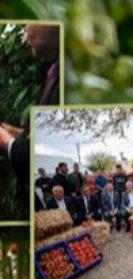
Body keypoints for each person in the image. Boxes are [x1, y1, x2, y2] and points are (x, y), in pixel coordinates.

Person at [0, 24, 60, 215]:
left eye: (28, 27)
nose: (25, 39)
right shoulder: (54, 71)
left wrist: (6, 141)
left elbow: (28, 154)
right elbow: (37, 136)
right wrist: (17, 133)